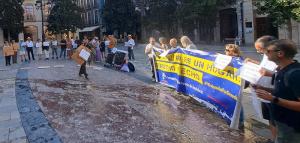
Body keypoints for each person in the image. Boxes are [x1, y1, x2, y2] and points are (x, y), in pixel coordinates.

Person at [255, 39, 300, 143]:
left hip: (293, 127)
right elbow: (286, 92)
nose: (265, 53)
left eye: (268, 51)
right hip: (282, 123)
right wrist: (264, 89)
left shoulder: (295, 74)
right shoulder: (281, 70)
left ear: (280, 53)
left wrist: (273, 99)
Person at [246, 35, 278, 140]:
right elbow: (264, 66)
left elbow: (280, 73)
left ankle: (278, 139)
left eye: (260, 50)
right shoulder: (267, 55)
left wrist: (271, 74)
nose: (259, 52)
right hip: (265, 92)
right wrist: (254, 62)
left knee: (276, 120)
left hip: (273, 94)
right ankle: (274, 139)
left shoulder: (276, 56)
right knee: (270, 119)